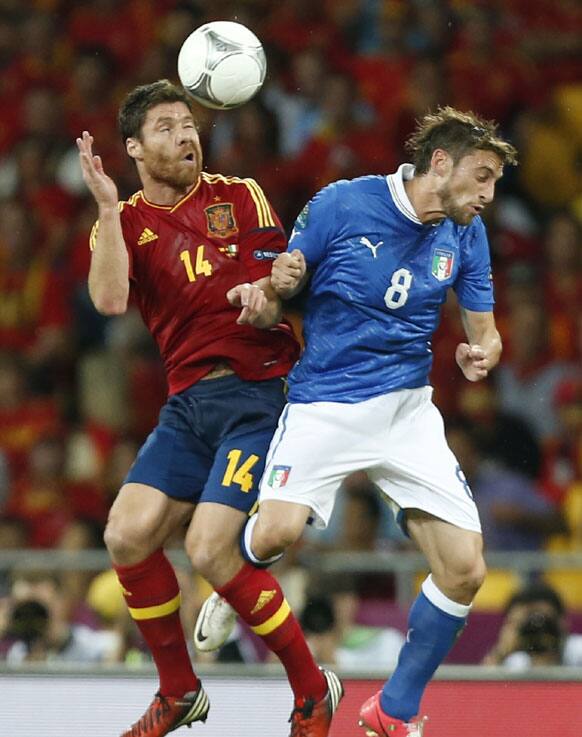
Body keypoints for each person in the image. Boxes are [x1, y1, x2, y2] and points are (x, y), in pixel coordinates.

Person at [196, 107, 518, 736]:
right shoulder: (343, 205)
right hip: (325, 403)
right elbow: (280, 283)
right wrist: (271, 289)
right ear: (441, 164)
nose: (488, 195)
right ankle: (234, 583)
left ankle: (393, 712)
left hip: (406, 410)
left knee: (466, 568)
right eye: (482, 177)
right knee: (276, 534)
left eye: (496, 183)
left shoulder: (465, 231)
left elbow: (487, 332)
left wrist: (482, 352)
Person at [77, 79, 342, 737]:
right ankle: (179, 690)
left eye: (189, 123)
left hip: (261, 390)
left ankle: (314, 690)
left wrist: (266, 298)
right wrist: (108, 210)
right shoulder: (125, 224)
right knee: (125, 533)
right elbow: (110, 301)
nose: (186, 134)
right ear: (134, 147)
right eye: (165, 127)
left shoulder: (238, 194)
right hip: (189, 404)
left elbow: (286, 279)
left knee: (207, 547)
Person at [482, 582, 582, 669]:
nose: (536, 627)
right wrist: (500, 653)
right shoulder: (516, 663)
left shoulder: (578, 649)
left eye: (542, 620)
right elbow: (484, 686)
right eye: (527, 622)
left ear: (563, 621)